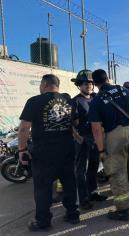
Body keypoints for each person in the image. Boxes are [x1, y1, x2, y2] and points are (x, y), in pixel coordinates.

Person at [18, 74, 79, 231]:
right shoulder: (68, 101)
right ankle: (73, 214)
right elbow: (74, 124)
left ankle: (43, 221)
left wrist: (22, 150)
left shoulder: (34, 101)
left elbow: (24, 128)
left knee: (43, 188)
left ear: (44, 84)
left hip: (44, 153)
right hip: (67, 150)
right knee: (69, 183)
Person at [89, 69, 129, 221]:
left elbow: (96, 129)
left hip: (115, 135)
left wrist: (101, 150)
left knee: (118, 173)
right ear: (108, 78)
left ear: (95, 84)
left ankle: (123, 210)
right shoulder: (124, 90)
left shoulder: (96, 100)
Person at [71, 70, 108, 210]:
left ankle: (93, 192)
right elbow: (69, 124)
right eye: (86, 83)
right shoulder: (75, 101)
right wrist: (78, 138)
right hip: (82, 140)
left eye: (91, 83)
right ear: (79, 85)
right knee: (81, 170)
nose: (89, 86)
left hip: (95, 139)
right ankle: (83, 198)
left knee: (93, 167)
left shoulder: (95, 98)